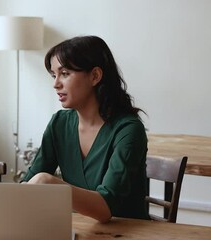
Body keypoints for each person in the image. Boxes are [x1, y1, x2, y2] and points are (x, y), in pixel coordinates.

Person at [22, 36, 149, 223]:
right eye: (53, 75)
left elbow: (106, 207)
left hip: (126, 234)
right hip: (78, 231)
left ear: (95, 76)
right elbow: (28, 183)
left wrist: (49, 182)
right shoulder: (59, 123)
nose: (55, 84)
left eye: (64, 73)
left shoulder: (128, 130)